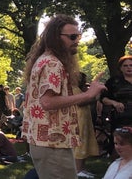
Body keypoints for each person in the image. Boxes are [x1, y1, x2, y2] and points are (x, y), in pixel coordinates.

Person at [21, 14, 106, 178]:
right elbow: (47, 102)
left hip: (48, 141)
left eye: (78, 36)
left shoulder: (45, 60)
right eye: (72, 37)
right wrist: (88, 94)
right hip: (51, 142)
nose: (77, 41)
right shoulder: (53, 63)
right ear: (55, 38)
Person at [74, 73, 99, 179]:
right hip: (79, 119)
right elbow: (80, 102)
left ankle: (82, 168)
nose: (85, 81)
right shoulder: (74, 89)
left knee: (85, 142)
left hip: (85, 118)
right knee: (80, 143)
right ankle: (78, 170)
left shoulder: (79, 89)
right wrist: (95, 97)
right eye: (84, 79)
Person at [103, 55, 132, 130]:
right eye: (125, 66)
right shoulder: (113, 82)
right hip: (121, 119)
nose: (129, 67)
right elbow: (103, 98)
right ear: (120, 68)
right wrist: (114, 103)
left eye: (131, 65)